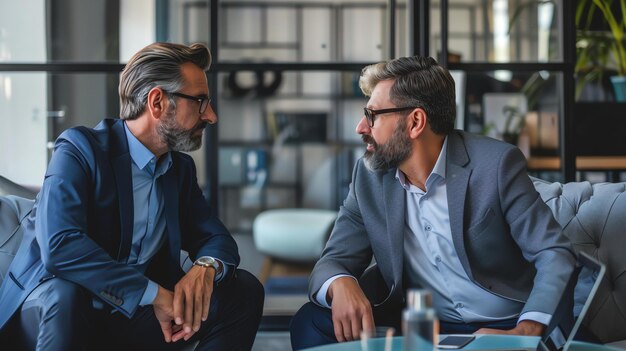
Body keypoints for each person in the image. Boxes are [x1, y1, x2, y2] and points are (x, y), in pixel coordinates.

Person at [290, 55, 576, 350]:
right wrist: (341, 283)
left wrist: (526, 330)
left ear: (415, 122)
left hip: (506, 319)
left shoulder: (496, 165)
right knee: (310, 323)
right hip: (421, 319)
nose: (361, 127)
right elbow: (334, 259)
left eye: (372, 114)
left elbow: (553, 252)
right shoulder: (369, 175)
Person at [0, 42, 264, 350]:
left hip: (130, 317)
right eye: (200, 101)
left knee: (242, 290)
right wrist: (153, 294)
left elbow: (215, 237)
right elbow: (61, 247)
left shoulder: (179, 169)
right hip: (52, 308)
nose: (212, 116)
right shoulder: (79, 150)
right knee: (65, 296)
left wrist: (206, 267)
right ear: (157, 102)